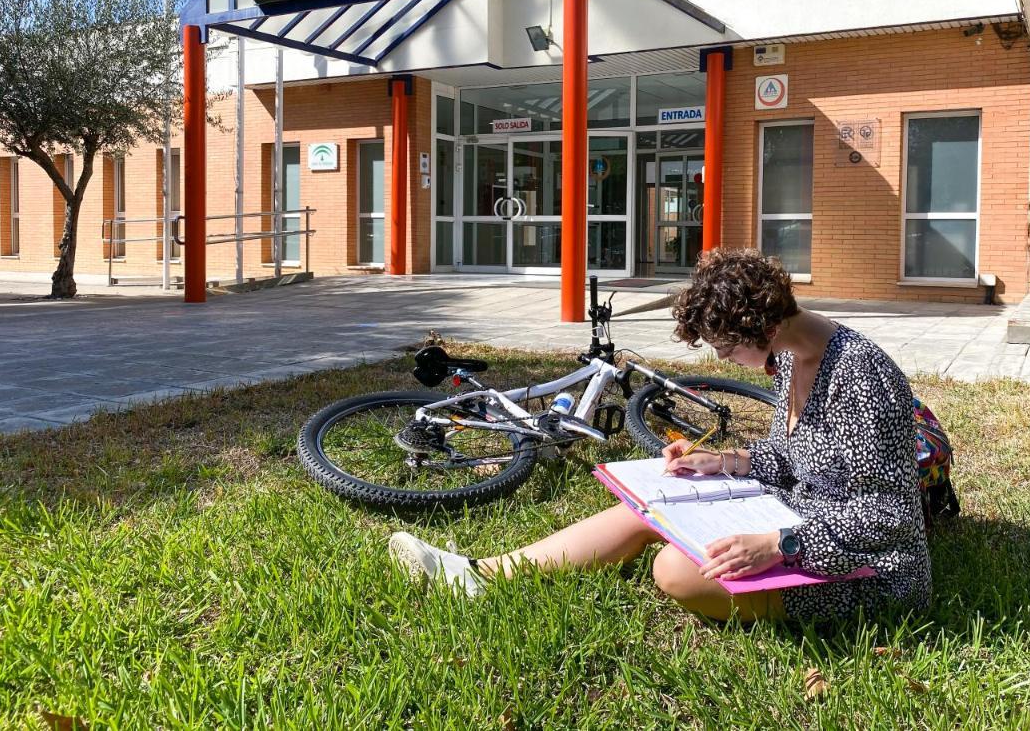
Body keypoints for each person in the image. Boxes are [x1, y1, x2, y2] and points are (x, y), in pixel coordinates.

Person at [390, 249, 931, 623]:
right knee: (659, 503)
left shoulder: (861, 374)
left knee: (675, 569)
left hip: (869, 568)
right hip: (799, 515)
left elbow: (892, 517)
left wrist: (777, 545)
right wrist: (728, 462)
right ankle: (482, 575)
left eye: (725, 348)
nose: (725, 360)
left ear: (764, 329)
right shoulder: (792, 356)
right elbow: (803, 457)